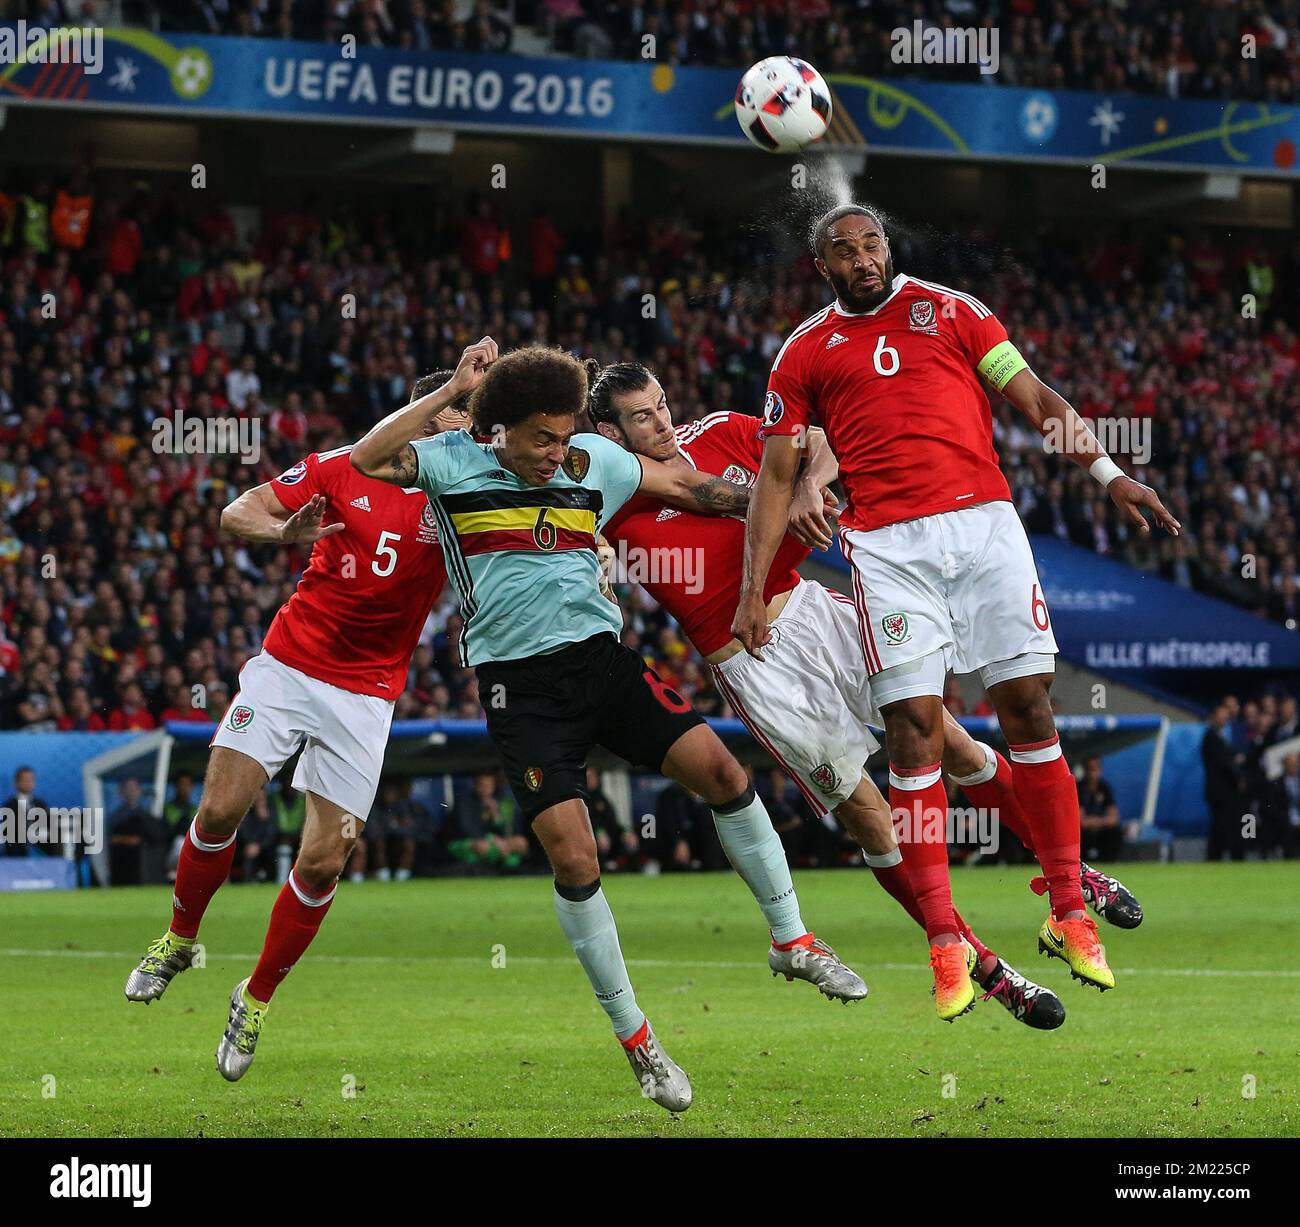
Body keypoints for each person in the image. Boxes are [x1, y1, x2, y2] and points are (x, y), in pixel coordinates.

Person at [350, 338, 867, 1114]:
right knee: (577, 859)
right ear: (503, 428)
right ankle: (639, 1040)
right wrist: (452, 389)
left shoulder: (592, 459)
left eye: (566, 436)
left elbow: (697, 488)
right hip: (520, 690)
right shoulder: (452, 462)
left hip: (602, 663)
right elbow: (367, 456)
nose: (560, 454)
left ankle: (791, 939)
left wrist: (784, 493)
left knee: (726, 775)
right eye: (542, 439)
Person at [591, 361, 1146, 1028]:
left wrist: (809, 485)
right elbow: (581, 510)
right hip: (757, 664)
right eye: (643, 416)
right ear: (607, 432)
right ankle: (984, 964)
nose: (662, 421)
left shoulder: (721, 431)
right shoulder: (609, 484)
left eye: (661, 402)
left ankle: (1070, 874)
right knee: (868, 813)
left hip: (814, 613)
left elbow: (820, 442)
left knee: (958, 745)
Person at [734, 204, 1176, 1016]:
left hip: (984, 526)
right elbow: (772, 477)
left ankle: (1070, 911)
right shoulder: (802, 353)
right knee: (913, 726)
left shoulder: (955, 309)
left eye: (873, 244)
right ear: (822, 266)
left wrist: (1110, 474)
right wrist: (752, 588)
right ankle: (944, 938)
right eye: (845, 250)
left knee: (1029, 707)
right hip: (889, 547)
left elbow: (1037, 398)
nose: (864, 258)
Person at [123, 371, 468, 1084]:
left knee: (322, 860)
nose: (473, 430)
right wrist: (283, 529)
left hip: (367, 697)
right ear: (428, 417)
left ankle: (254, 998)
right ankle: (180, 938)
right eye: (463, 414)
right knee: (220, 807)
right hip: (289, 667)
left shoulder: (460, 496)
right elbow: (235, 510)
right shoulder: (341, 466)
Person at [448, 771, 529, 870]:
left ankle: (508, 869)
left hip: (497, 843)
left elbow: (507, 830)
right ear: (475, 785)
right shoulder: (465, 802)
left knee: (520, 843)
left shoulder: (501, 800)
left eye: (488, 785)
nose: (485, 788)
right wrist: (492, 838)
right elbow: (467, 830)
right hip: (470, 841)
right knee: (483, 847)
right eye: (482, 785)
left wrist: (495, 816)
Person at [1202, 701, 1245, 861]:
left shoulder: (1219, 735)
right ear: (1213, 717)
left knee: (1221, 826)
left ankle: (1217, 856)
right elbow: (1224, 763)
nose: (1225, 718)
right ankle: (1221, 856)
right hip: (1220, 792)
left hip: (1221, 791)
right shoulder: (1211, 737)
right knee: (1223, 825)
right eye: (1221, 715)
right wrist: (1238, 777)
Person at [1077, 755, 1122, 863]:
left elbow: (1114, 817)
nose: (1093, 773)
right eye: (1090, 769)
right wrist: (1102, 821)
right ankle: (1081, 862)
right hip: (1084, 831)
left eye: (1096, 769)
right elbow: (1080, 820)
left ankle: (1110, 861)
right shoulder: (1078, 788)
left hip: (1101, 827)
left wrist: (1096, 821)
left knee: (1115, 831)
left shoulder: (1105, 788)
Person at [2, 766, 51, 858]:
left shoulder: (42, 805)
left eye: (31, 779)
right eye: (25, 779)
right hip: (16, 858)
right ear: (16, 782)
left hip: (43, 856)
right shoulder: (8, 806)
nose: (28, 783)